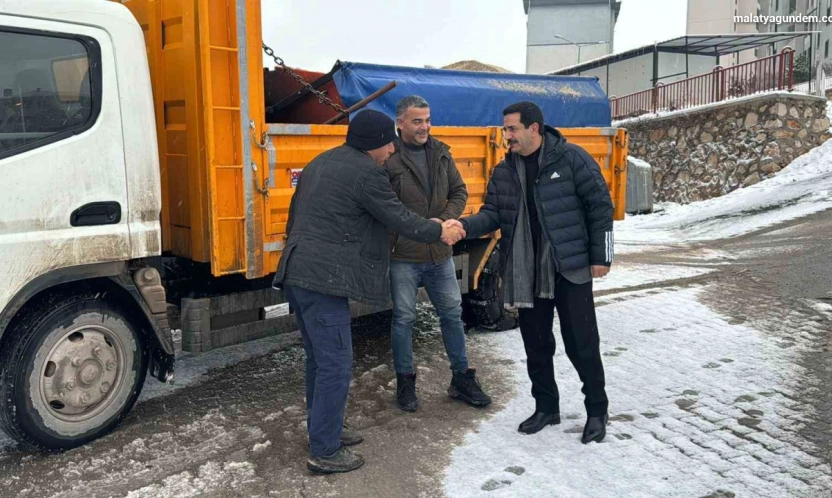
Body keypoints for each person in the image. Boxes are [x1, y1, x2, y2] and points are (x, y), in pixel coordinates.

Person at [272, 109, 464, 474]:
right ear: (375, 143)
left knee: (319, 361)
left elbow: (296, 215)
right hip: (323, 280)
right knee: (335, 364)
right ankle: (324, 451)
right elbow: (399, 218)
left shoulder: (321, 162)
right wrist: (439, 230)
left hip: (299, 272)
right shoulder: (368, 174)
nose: (392, 149)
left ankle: (324, 430)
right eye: (388, 142)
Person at [452, 101, 614, 444]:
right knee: (536, 343)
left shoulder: (572, 159)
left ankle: (597, 411)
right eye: (505, 129)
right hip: (526, 270)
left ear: (534, 129)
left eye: (511, 129)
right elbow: (492, 214)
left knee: (582, 344)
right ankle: (546, 407)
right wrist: (462, 226)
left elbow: (600, 207)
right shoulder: (504, 171)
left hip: (569, 267)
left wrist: (603, 257)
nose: (506, 135)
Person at [385, 95, 492, 412]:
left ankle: (461, 378)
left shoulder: (442, 153)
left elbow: (459, 192)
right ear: (400, 122)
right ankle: (405, 382)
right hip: (403, 254)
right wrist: (426, 226)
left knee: (452, 315)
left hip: (439, 253)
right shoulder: (389, 158)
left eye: (428, 120)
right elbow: (387, 208)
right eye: (417, 121)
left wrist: (447, 220)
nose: (424, 127)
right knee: (404, 318)